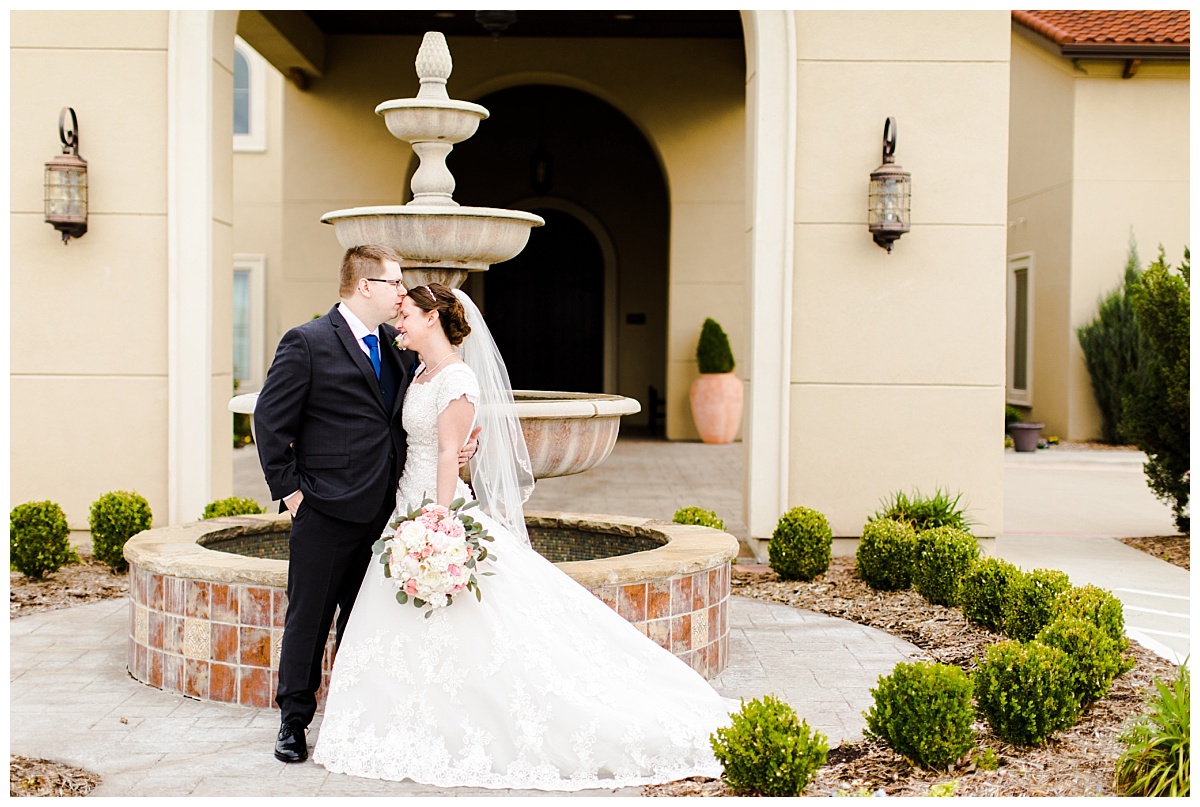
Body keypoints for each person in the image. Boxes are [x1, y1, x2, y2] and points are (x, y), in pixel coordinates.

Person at [311, 283, 732, 791]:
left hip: (433, 512)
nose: (397, 323)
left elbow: (449, 455)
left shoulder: (459, 380)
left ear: (433, 319)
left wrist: (439, 523)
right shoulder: (418, 372)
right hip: (406, 504)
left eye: (406, 314)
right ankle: (416, 720)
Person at [254, 246, 477, 764]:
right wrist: (292, 495)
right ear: (364, 286)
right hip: (324, 510)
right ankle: (293, 721)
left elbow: (440, 408)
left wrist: (468, 446)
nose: (402, 292)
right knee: (309, 616)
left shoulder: (399, 348)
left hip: (387, 513)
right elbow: (269, 421)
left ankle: (359, 717)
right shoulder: (307, 342)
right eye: (395, 282)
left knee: (366, 621)